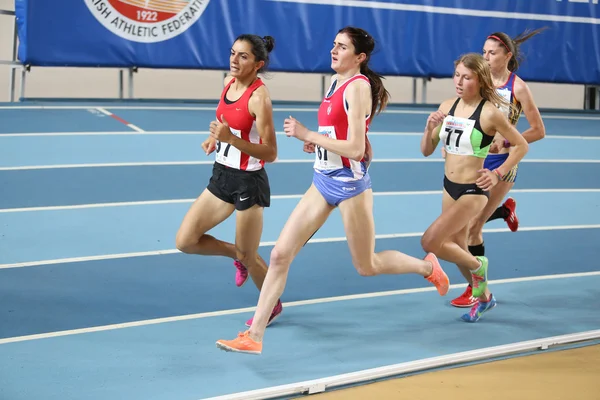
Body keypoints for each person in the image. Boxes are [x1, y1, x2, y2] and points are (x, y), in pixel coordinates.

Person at [216, 26, 450, 355]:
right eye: (334, 45)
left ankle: (428, 267)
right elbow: (344, 133)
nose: (334, 51)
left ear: (360, 57)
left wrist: (308, 135)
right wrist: (321, 145)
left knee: (367, 265)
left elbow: (355, 148)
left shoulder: (358, 87)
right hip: (322, 180)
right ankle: (254, 335)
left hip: (350, 186)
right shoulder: (335, 80)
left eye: (342, 47)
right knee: (280, 254)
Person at [175, 34, 283, 327]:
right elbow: (225, 121)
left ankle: (271, 305)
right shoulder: (227, 82)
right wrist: (213, 139)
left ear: (258, 63)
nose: (234, 60)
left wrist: (231, 139)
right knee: (185, 241)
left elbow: (271, 152)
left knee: (251, 256)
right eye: (233, 53)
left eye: (243, 56)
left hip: (249, 182)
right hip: (221, 175)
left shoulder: (260, 98)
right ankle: (238, 255)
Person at [420, 52, 529, 323]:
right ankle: (485, 298)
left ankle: (478, 266)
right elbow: (426, 151)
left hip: (473, 190)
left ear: (479, 80)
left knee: (431, 241)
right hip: (449, 186)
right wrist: (428, 128)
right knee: (457, 246)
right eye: (456, 75)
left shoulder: (490, 112)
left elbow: (521, 145)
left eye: (466, 77)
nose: (459, 81)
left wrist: (497, 173)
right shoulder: (447, 106)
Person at [451, 29, 547, 309]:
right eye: (484, 52)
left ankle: (478, 291)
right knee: (463, 224)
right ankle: (504, 211)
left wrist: (504, 141)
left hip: (503, 165)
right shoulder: (478, 81)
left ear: (507, 56)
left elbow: (538, 131)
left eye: (492, 53)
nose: (486, 57)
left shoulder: (517, 88)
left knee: (470, 229)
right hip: (474, 161)